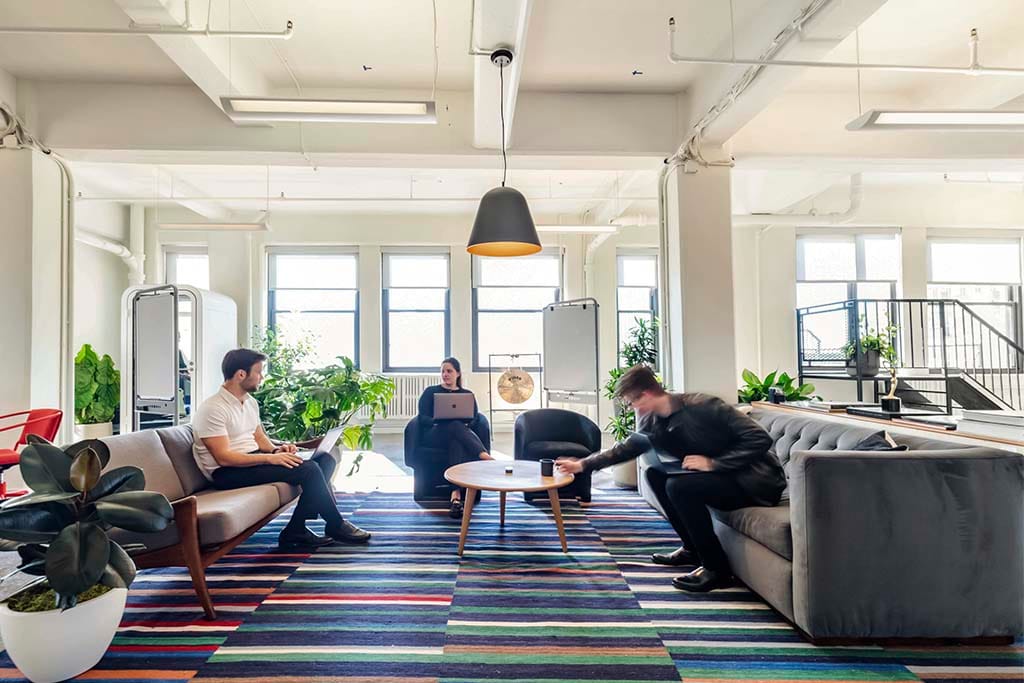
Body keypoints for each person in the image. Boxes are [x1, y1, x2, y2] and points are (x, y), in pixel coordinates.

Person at [556, 365, 785, 592]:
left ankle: (717, 570)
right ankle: (692, 550)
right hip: (722, 478)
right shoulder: (652, 419)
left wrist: (713, 463)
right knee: (655, 475)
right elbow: (626, 449)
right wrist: (582, 465)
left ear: (646, 394)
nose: (632, 408)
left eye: (632, 402)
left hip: (755, 481)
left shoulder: (704, 405)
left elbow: (759, 438)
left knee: (679, 487)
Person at [191, 348, 371, 549]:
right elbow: (223, 457)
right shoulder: (213, 408)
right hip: (226, 473)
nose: (262, 377)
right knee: (309, 469)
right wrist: (269, 459)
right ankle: (335, 524)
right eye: (259, 372)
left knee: (325, 460)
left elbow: (259, 437)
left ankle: (296, 530)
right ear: (241, 374)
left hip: (251, 461)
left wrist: (277, 451)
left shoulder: (249, 402)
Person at [416, 357, 493, 518]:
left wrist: (466, 424)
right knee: (454, 425)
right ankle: (482, 454)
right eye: (443, 371)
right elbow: (422, 417)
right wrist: (436, 421)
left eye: (449, 371)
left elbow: (475, 418)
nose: (445, 374)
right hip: (435, 434)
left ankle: (455, 496)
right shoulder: (431, 392)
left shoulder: (467, 394)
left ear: (458, 373)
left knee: (457, 440)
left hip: (458, 436)